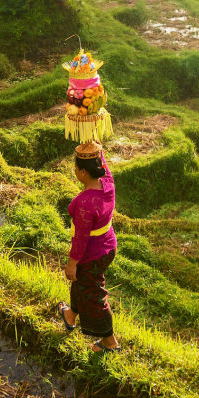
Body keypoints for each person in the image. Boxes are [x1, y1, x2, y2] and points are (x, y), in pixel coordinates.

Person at [57, 140, 120, 353]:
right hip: (107, 247)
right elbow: (104, 164)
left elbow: (81, 239)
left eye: (75, 168)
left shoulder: (85, 202)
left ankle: (110, 342)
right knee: (81, 283)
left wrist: (71, 265)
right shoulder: (108, 183)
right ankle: (70, 316)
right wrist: (94, 146)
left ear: (83, 172)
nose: (74, 171)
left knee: (93, 295)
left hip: (92, 254)